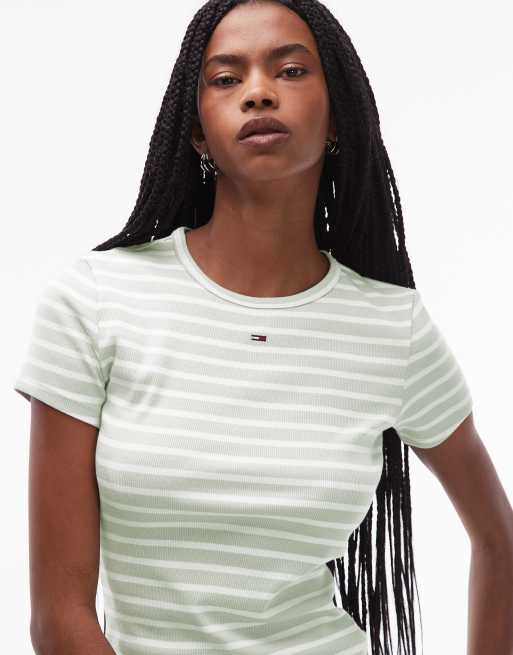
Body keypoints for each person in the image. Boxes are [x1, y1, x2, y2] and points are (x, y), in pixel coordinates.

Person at [13, 1, 513, 654]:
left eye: (291, 70)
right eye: (226, 78)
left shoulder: (391, 328)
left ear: (337, 118)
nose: (257, 92)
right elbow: (58, 617)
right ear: (197, 132)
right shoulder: (94, 300)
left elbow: (498, 539)